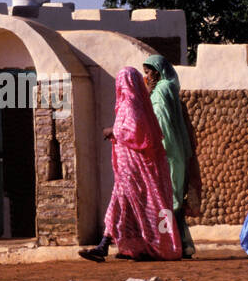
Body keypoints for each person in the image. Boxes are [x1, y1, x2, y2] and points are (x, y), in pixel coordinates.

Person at [78, 67, 182, 262]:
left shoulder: (131, 104)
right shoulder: (140, 104)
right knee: (126, 205)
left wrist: (112, 131)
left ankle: (109, 245)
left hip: (135, 168)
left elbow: (134, 132)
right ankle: (115, 245)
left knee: (125, 203)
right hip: (135, 168)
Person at [142, 54, 199, 258]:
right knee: (171, 199)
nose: (146, 76)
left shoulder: (163, 89)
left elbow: (163, 123)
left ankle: (171, 245)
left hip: (169, 152)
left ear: (157, 72)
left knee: (169, 199)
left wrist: (158, 149)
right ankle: (181, 244)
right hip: (173, 152)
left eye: (148, 72)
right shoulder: (165, 89)